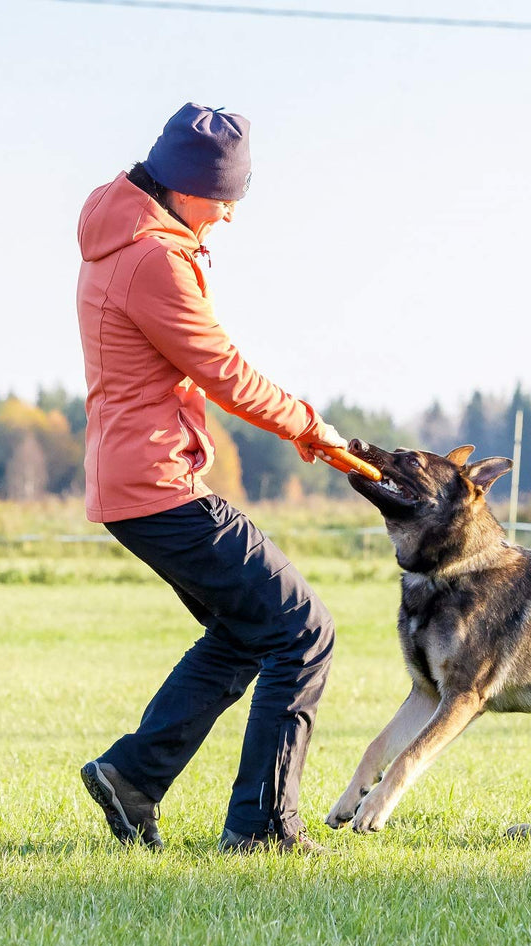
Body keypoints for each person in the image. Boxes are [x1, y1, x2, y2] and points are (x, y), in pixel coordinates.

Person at [75, 103, 346, 854]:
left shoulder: (126, 238)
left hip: (135, 483)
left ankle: (133, 777)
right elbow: (222, 370)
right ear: (188, 185)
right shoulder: (151, 258)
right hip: (159, 483)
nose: (229, 215)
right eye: (226, 197)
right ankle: (260, 825)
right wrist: (308, 426)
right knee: (301, 630)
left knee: (243, 632)